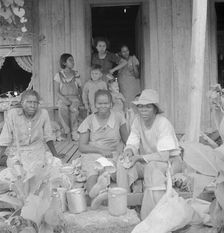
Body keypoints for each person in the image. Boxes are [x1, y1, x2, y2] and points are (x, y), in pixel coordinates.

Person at [117, 89, 182, 220]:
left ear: (155, 109)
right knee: (122, 163)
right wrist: (129, 151)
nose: (143, 110)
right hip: (148, 160)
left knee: (152, 168)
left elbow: (164, 156)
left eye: (148, 106)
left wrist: (139, 157)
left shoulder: (162, 123)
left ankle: (152, 217)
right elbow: (132, 142)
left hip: (169, 163)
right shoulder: (137, 121)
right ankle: (124, 206)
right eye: (140, 106)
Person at [78, 89, 129, 203]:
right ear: (95, 104)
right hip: (93, 153)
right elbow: (82, 146)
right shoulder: (89, 120)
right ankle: (93, 192)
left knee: (114, 169)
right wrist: (100, 151)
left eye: (106, 103)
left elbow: (127, 139)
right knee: (93, 169)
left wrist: (129, 152)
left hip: (113, 153)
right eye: (100, 103)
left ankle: (102, 189)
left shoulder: (118, 117)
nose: (103, 106)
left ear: (111, 104)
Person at [0, 90, 60, 169]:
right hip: (17, 152)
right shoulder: (13, 114)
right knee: (18, 165)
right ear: (22, 103)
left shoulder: (43, 113)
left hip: (37, 152)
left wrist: (55, 155)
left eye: (35, 102)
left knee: (53, 164)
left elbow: (48, 136)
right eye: (29, 102)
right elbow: (5, 139)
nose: (33, 105)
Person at [54, 53, 82, 141]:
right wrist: (64, 99)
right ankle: (66, 132)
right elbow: (57, 91)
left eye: (73, 60)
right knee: (62, 109)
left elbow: (80, 87)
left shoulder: (76, 74)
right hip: (63, 97)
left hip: (74, 98)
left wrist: (79, 99)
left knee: (74, 110)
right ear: (64, 62)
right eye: (70, 60)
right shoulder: (58, 75)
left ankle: (74, 132)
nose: (73, 62)